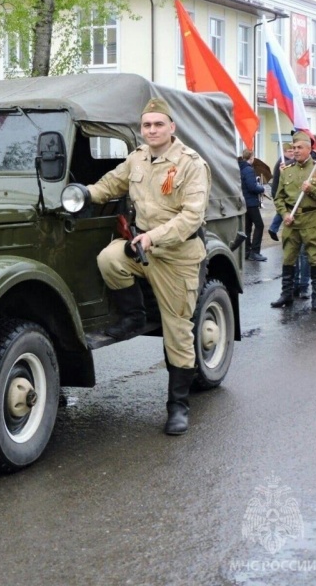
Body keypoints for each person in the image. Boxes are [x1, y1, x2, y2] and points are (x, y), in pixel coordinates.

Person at [86, 97, 211, 436]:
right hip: (142, 249)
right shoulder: (137, 158)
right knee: (109, 258)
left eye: (158, 124)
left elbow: (191, 217)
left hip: (178, 256)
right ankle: (135, 317)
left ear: (172, 127)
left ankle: (178, 406)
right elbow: (110, 184)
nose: (152, 130)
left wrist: (154, 237)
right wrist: (81, 195)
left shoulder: (190, 164)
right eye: (147, 125)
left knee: (177, 331)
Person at [271, 131, 316, 312]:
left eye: (300, 147)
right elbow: (279, 197)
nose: (296, 151)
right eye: (293, 148)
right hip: (291, 221)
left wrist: (312, 189)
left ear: (309, 149)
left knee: (314, 258)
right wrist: (284, 214)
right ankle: (286, 294)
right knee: (289, 258)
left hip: (312, 219)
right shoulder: (286, 170)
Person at [238, 149, 267, 261]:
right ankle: (255, 252)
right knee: (259, 225)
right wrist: (262, 188)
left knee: (247, 228)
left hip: (244, 202)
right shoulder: (249, 170)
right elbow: (252, 187)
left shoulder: (240, 168)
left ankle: (246, 251)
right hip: (251, 202)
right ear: (251, 157)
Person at [268, 143, 294, 241]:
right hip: (278, 191)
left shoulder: (286, 161)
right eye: (289, 151)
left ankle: (274, 229)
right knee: (283, 210)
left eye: (292, 151)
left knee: (283, 210)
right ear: (284, 152)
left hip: (280, 190)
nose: (292, 153)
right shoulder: (283, 163)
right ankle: (273, 228)